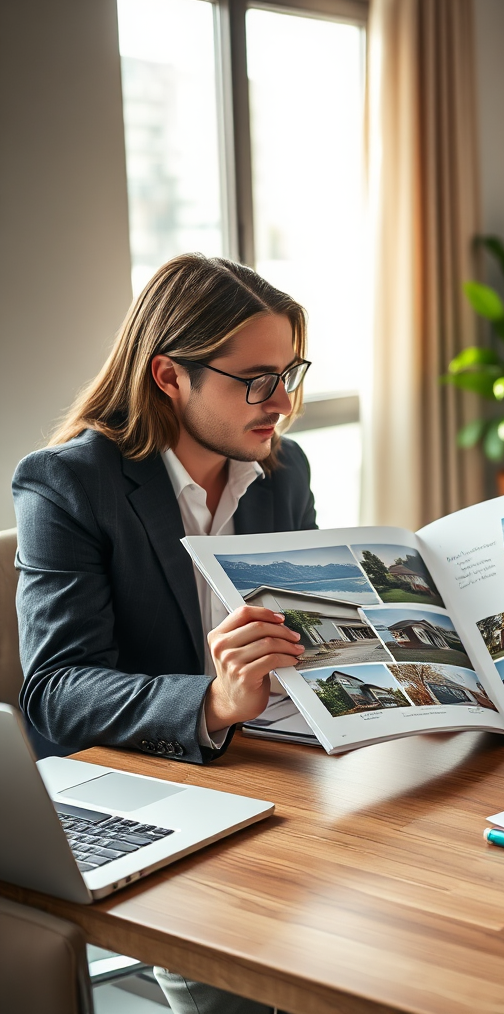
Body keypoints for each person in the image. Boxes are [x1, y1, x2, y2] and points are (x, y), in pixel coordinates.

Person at [14, 253, 318, 1014]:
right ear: (168, 376)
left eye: (288, 372)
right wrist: (212, 702)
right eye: (255, 379)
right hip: (141, 792)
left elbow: (308, 626)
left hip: (274, 773)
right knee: (249, 990)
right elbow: (55, 691)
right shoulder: (67, 484)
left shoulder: (283, 472)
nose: (280, 401)